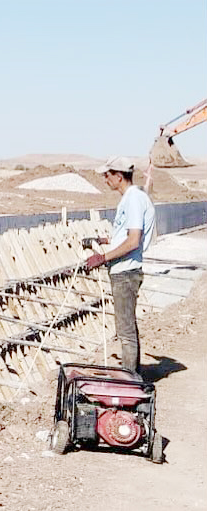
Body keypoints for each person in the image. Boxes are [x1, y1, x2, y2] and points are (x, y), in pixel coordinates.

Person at [84, 157, 155, 373]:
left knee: (125, 332)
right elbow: (126, 234)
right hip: (125, 271)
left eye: (107, 175)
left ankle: (130, 381)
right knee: (128, 328)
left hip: (126, 272)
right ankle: (132, 376)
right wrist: (105, 240)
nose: (105, 180)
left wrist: (103, 257)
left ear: (119, 176)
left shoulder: (133, 199)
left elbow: (133, 240)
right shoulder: (132, 198)